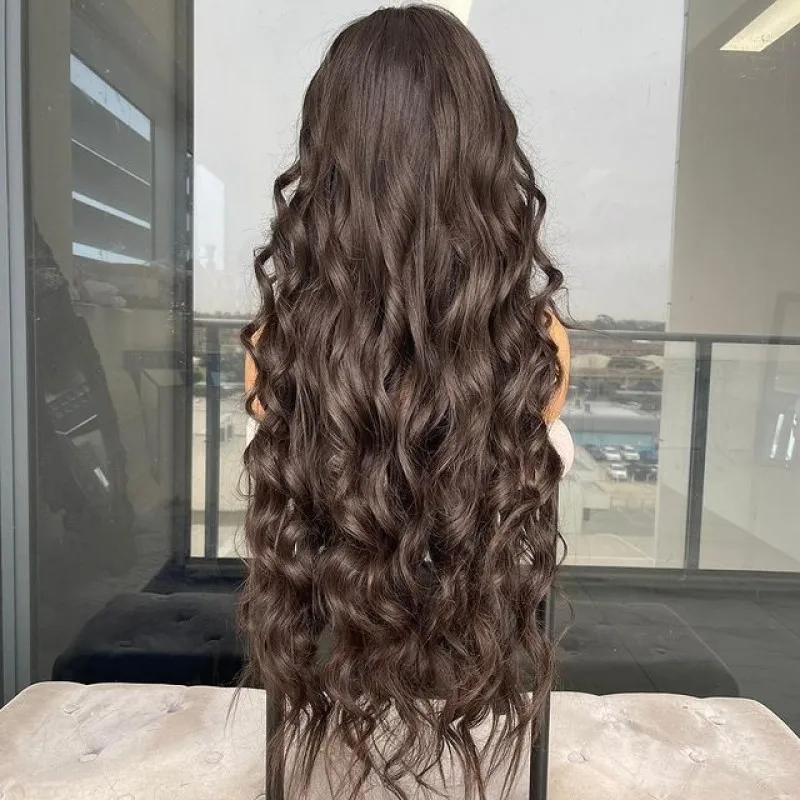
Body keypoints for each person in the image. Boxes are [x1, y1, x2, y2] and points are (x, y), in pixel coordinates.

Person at [242, 6, 570, 798]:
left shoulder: (275, 348)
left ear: (329, 158)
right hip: (469, 636)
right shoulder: (536, 350)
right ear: (481, 150)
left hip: (336, 633)